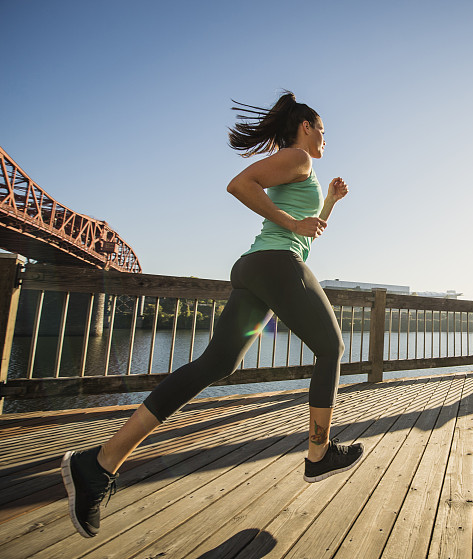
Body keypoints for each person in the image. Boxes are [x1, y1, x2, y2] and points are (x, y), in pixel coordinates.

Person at [60, 91, 363, 539]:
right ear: (304, 126)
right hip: (275, 264)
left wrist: (328, 205)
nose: (324, 137)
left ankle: (100, 462)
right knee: (332, 347)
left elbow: (304, 234)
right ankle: (318, 456)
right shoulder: (299, 157)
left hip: (262, 267)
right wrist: (293, 223)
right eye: (322, 128)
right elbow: (240, 185)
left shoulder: (300, 169)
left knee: (215, 364)